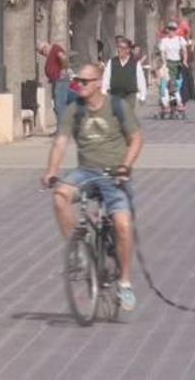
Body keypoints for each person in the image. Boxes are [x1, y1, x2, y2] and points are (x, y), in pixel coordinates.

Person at [43, 64, 144, 311]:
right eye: (77, 81)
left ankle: (125, 282)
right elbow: (60, 142)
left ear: (98, 82)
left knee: (122, 224)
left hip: (114, 174)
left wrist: (126, 166)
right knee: (60, 196)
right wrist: (52, 171)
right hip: (86, 172)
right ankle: (78, 249)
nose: (80, 85)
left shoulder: (118, 107)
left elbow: (137, 139)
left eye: (85, 81)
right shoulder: (74, 109)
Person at [102, 38, 147, 107]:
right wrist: (104, 93)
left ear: (128, 50)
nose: (120, 50)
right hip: (115, 94)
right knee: (116, 115)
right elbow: (106, 78)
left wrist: (142, 96)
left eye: (123, 48)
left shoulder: (135, 63)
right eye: (119, 47)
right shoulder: (112, 62)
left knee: (128, 115)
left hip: (130, 95)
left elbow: (141, 80)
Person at [157, 21, 188, 115]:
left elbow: (184, 51)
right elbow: (162, 53)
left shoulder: (180, 39)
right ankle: (166, 105)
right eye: (169, 30)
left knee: (176, 84)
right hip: (168, 63)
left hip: (177, 63)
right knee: (166, 84)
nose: (171, 32)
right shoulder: (164, 40)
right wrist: (164, 63)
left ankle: (178, 103)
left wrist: (185, 61)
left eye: (173, 30)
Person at [39, 42, 70, 120]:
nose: (43, 55)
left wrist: (63, 69)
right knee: (57, 106)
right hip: (56, 81)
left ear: (46, 47)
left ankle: (63, 128)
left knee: (59, 105)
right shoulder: (52, 53)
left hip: (60, 81)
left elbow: (63, 57)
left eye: (42, 52)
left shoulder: (55, 48)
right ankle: (60, 128)